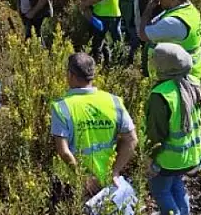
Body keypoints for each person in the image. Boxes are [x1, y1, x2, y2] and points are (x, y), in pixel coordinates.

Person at [51, 53, 137, 195]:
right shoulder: (113, 101)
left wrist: (83, 177)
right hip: (108, 181)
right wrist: (115, 171)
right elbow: (132, 139)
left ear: (70, 75)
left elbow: (64, 151)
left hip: (74, 183)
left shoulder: (61, 107)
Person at [145, 43, 201, 215]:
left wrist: (150, 159)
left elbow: (156, 134)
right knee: (177, 186)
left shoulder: (161, 94)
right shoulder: (192, 83)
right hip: (190, 154)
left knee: (161, 190)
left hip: (169, 158)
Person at [139, 0, 201, 83]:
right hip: (191, 71)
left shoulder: (173, 23)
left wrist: (148, 9)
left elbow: (143, 34)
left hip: (179, 76)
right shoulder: (189, 9)